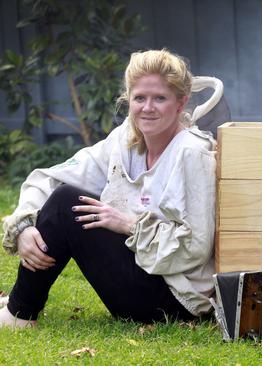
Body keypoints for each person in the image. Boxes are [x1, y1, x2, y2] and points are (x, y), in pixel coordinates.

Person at [0, 49, 217, 328]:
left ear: (180, 103)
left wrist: (129, 224)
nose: (147, 107)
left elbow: (195, 248)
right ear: (129, 100)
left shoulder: (192, 153)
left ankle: (20, 313)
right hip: (139, 276)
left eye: (159, 98)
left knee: (66, 202)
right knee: (62, 196)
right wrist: (24, 225)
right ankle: (21, 304)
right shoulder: (125, 140)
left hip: (174, 301)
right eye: (139, 98)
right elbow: (52, 178)